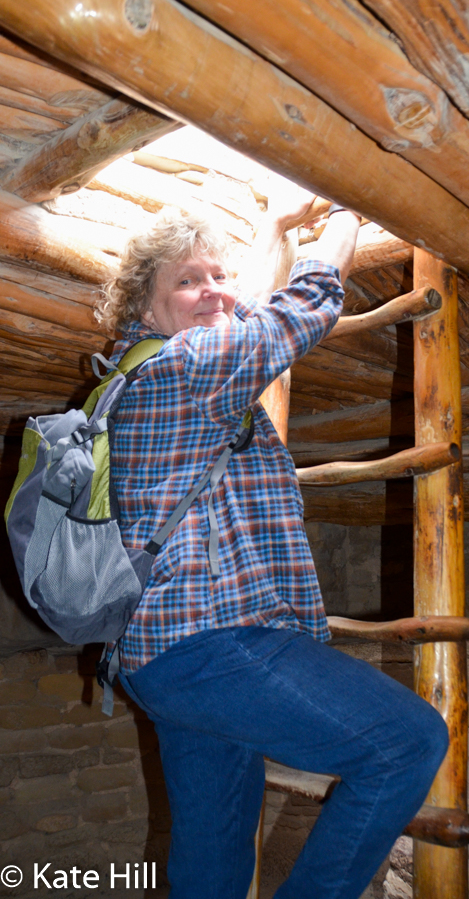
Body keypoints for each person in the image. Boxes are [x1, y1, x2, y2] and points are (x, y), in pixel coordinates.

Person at [96, 181, 448, 899]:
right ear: (145, 306)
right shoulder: (186, 369)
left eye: (217, 274)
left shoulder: (144, 375)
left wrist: (274, 227)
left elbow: (239, 310)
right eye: (186, 280)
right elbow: (298, 309)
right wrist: (344, 219)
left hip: (159, 660)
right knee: (408, 742)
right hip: (211, 646)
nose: (211, 291)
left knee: (216, 850)